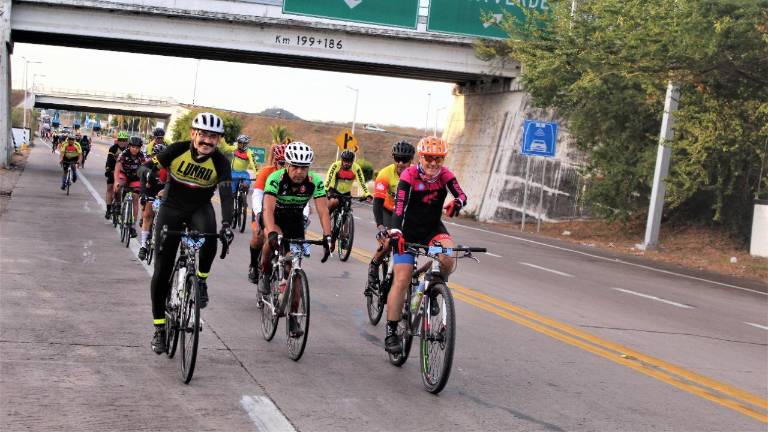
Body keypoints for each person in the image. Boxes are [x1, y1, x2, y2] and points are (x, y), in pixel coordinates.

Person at [149, 112, 234, 354]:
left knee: (211, 237)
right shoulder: (176, 150)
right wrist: (147, 175)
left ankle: (202, 280)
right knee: (162, 272)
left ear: (218, 140)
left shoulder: (220, 162)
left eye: (214, 137)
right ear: (193, 134)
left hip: (199, 207)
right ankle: (159, 329)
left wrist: (227, 224)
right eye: (204, 135)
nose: (208, 141)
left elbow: (227, 195)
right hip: (171, 207)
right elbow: (151, 167)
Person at [383, 136, 467, 354]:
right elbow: (399, 207)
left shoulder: (445, 175)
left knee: (449, 258)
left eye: (438, 159)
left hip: (432, 229)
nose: (433, 163)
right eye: (429, 158)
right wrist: (396, 231)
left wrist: (457, 202)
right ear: (421, 157)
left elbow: (462, 194)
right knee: (401, 278)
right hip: (407, 230)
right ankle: (391, 330)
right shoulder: (409, 175)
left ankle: (433, 284)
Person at [259, 141, 333, 336]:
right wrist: (272, 232)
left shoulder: (315, 181)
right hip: (274, 217)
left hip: (294, 220)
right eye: (296, 167)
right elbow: (268, 208)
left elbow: (323, 211)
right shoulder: (276, 178)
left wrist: (328, 237)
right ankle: (265, 273)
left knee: (296, 270)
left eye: (304, 167)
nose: (300, 172)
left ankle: (293, 319)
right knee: (270, 240)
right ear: (287, 165)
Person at [365, 140, 415, 294]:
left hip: (406, 212)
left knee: (413, 246)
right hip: (388, 211)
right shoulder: (385, 174)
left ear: (411, 160)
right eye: (397, 159)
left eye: (405, 160)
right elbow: (377, 203)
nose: (400, 163)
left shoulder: (416, 174)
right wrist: (380, 226)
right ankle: (374, 264)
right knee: (388, 242)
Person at [248, 143, 286, 283]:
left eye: (289, 163)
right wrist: (258, 215)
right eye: (282, 163)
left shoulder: (293, 174)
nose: (286, 166)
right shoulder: (266, 172)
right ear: (275, 162)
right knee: (258, 237)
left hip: (281, 211)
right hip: (262, 207)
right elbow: (257, 195)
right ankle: (253, 265)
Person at [137, 142, 168, 261]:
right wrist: (143, 195)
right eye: (157, 156)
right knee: (148, 215)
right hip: (150, 192)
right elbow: (140, 171)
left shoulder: (170, 166)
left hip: (163, 193)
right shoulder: (150, 165)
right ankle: (143, 246)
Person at [114, 136, 149, 238]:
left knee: (135, 197)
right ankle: (117, 204)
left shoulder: (141, 156)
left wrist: (146, 182)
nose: (135, 149)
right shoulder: (123, 154)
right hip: (124, 175)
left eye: (137, 147)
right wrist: (116, 181)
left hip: (135, 178)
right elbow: (117, 169)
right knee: (119, 185)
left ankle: (132, 226)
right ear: (129, 146)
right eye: (133, 147)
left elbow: (146, 168)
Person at [324, 150, 373, 217]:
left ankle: (345, 224)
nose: (346, 163)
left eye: (349, 161)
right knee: (334, 202)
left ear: (352, 161)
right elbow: (329, 178)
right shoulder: (336, 165)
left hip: (346, 193)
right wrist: (326, 189)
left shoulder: (356, 168)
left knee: (347, 209)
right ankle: (326, 216)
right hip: (334, 190)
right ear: (342, 160)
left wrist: (367, 194)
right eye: (344, 161)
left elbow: (361, 182)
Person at [104, 131, 129, 219]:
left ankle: (120, 203)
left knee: (122, 188)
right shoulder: (113, 148)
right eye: (120, 140)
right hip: (113, 170)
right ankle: (108, 209)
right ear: (117, 140)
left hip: (124, 172)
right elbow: (109, 160)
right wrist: (108, 169)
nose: (122, 142)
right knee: (110, 188)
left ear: (127, 141)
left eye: (124, 140)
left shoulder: (129, 149)